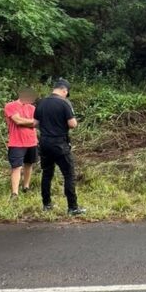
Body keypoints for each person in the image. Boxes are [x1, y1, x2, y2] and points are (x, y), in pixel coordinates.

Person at [34, 78, 85, 215]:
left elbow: (34, 123)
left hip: (44, 143)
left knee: (47, 174)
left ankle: (46, 205)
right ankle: (72, 207)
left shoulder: (41, 102)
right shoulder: (64, 103)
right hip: (59, 143)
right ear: (64, 90)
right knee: (69, 174)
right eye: (66, 93)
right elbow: (72, 124)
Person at [4, 87, 38, 201]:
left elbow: (36, 123)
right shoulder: (10, 106)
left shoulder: (33, 108)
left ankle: (26, 187)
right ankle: (14, 193)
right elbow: (17, 121)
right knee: (16, 167)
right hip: (16, 142)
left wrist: (28, 122)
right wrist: (31, 122)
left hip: (32, 141)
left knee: (29, 164)